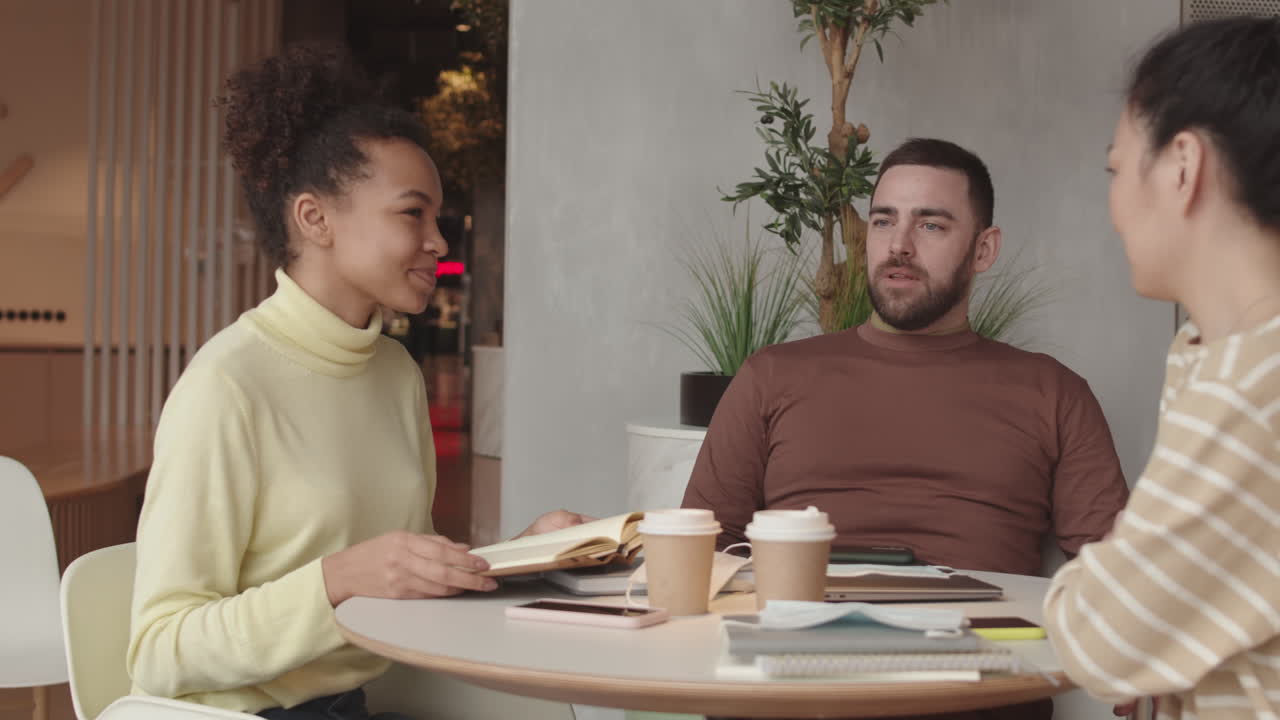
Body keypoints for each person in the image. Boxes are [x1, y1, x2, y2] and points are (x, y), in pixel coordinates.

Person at [126, 45, 587, 719]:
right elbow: (160, 651)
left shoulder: (394, 375)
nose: (439, 242)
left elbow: (398, 583)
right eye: (412, 214)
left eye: (437, 218)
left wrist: (526, 554)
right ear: (315, 220)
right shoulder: (227, 386)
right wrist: (337, 581)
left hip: (359, 703)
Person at [683, 137, 1129, 578]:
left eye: (930, 225)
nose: (899, 245)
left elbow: (1118, 579)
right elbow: (702, 551)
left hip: (978, 637)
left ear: (983, 250)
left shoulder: (1054, 393)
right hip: (800, 629)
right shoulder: (773, 374)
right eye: (882, 221)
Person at [1043, 17, 1280, 719]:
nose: (1113, 207)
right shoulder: (1212, 359)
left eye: (1117, 169)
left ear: (1182, 165)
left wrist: (1100, 582)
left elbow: (1101, 637)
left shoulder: (1252, 392)